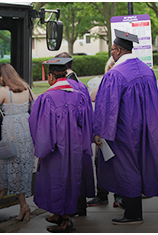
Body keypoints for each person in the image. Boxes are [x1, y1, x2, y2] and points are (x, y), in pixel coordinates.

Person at [93, 29, 158, 225]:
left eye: (112, 50)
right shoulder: (147, 71)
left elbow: (106, 106)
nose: (111, 53)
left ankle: (133, 214)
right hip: (146, 128)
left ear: (117, 50)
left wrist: (99, 131)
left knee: (127, 168)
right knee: (141, 165)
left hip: (124, 129)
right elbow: (156, 101)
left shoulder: (115, 74)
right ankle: (133, 208)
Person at [29, 58, 92, 233]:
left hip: (54, 149)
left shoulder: (47, 98)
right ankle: (58, 214)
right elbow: (86, 123)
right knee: (70, 180)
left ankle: (66, 220)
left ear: (51, 76)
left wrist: (42, 148)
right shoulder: (78, 95)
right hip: (74, 149)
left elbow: (39, 126)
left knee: (56, 180)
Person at [0, 63, 35, 222]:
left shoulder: (4, 91)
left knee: (12, 165)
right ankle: (2, 187)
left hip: (11, 132)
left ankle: (24, 206)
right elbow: (35, 105)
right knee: (6, 158)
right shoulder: (26, 87)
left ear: (2, 76)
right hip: (25, 130)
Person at [54, 52, 95, 217]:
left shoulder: (67, 85)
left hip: (70, 134)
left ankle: (70, 209)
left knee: (69, 170)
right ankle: (80, 206)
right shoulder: (81, 84)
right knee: (81, 169)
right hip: (82, 132)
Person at [87, 56, 122, 208]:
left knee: (117, 163)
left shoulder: (122, 83)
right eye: (110, 66)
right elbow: (93, 97)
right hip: (103, 129)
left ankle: (118, 196)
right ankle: (102, 195)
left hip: (117, 130)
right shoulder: (103, 83)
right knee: (99, 163)